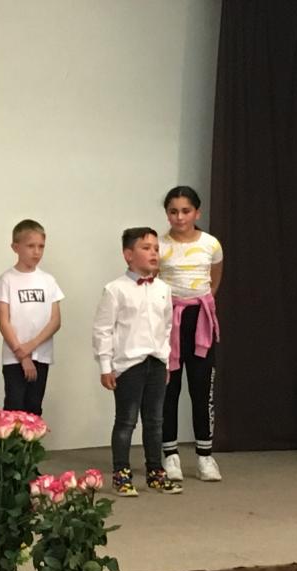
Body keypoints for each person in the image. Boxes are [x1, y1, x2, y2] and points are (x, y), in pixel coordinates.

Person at [93, 227, 182, 497]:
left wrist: (166, 360)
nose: (153, 253)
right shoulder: (115, 289)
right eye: (146, 248)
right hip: (128, 364)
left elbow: (167, 327)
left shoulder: (164, 289)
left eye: (155, 248)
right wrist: (106, 366)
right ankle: (121, 473)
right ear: (128, 255)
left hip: (156, 361)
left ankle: (155, 472)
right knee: (126, 421)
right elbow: (103, 330)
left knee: (155, 421)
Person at [158, 186, 223, 482]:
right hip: (169, 320)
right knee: (168, 389)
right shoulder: (159, 245)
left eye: (186, 211)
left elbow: (214, 277)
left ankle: (205, 456)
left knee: (201, 388)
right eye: (173, 211)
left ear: (197, 212)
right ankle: (170, 454)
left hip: (199, 321)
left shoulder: (211, 244)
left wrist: (202, 303)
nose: (180, 217)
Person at [0, 219, 64, 415]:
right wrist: (22, 355)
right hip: (15, 356)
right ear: (16, 247)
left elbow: (55, 321)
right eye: (31, 246)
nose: (36, 252)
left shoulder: (48, 280)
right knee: (15, 407)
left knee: (34, 407)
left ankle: (32, 438)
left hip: (41, 355)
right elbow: (3, 322)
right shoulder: (7, 280)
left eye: (41, 246)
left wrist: (31, 346)